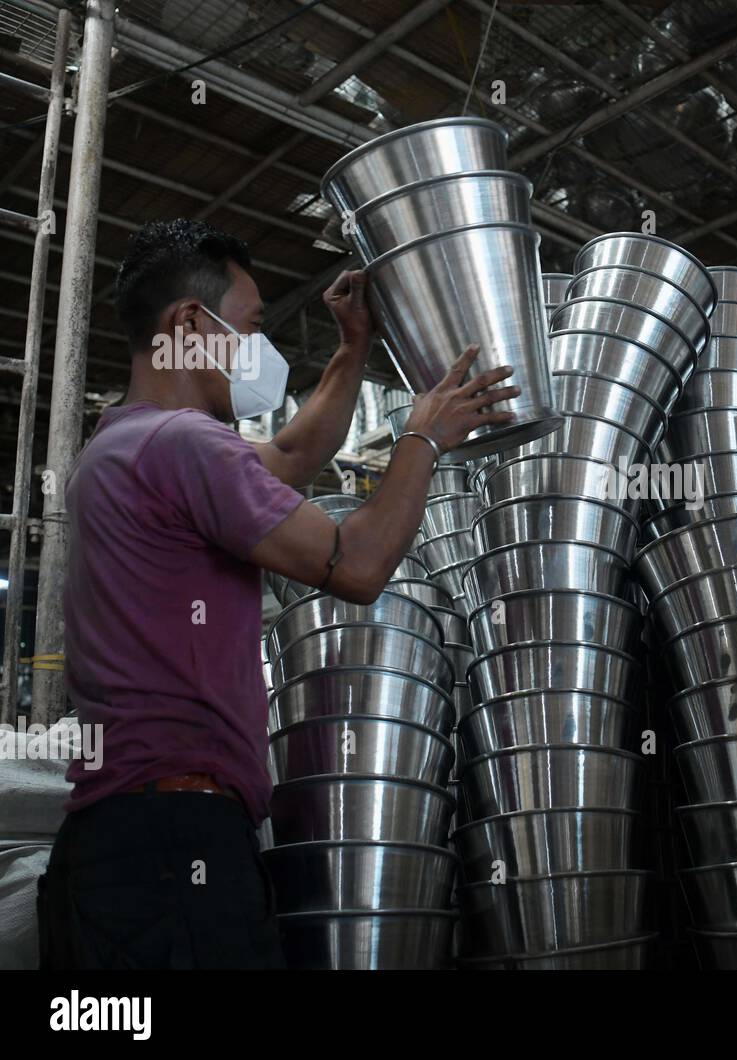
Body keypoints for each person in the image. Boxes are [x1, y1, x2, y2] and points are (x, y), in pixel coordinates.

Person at [37, 218, 517, 969]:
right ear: (191, 325)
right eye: (251, 327)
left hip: (114, 849)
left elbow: (288, 457)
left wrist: (355, 347)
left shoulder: (123, 444)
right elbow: (356, 567)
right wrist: (425, 436)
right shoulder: (182, 444)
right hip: (175, 851)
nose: (258, 352)